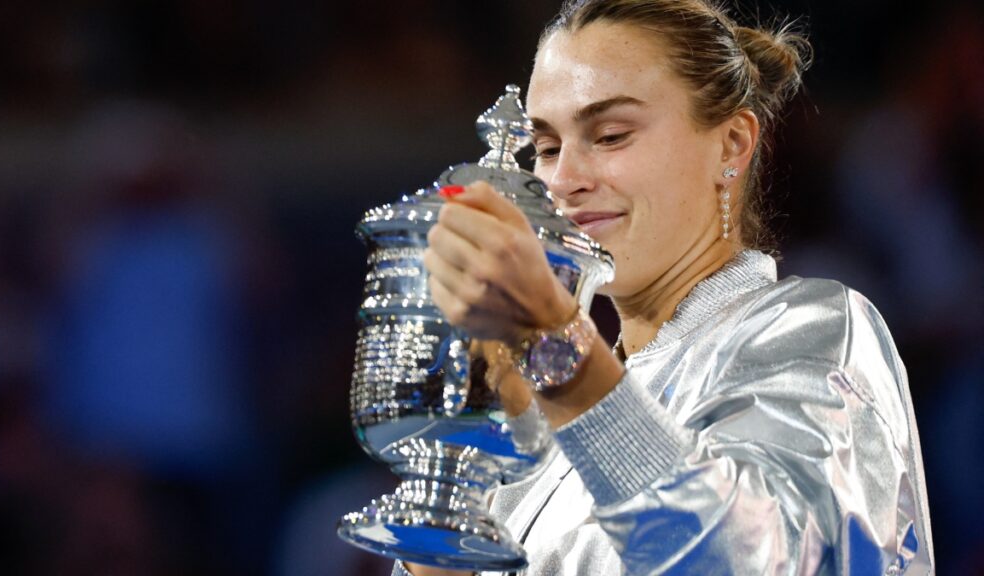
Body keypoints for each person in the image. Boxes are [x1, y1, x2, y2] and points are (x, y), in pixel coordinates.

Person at [398, 0, 934, 574]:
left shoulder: (818, 328)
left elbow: (751, 561)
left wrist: (554, 343)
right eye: (547, 148)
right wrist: (462, 440)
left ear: (731, 144)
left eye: (609, 135)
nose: (563, 181)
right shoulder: (544, 428)